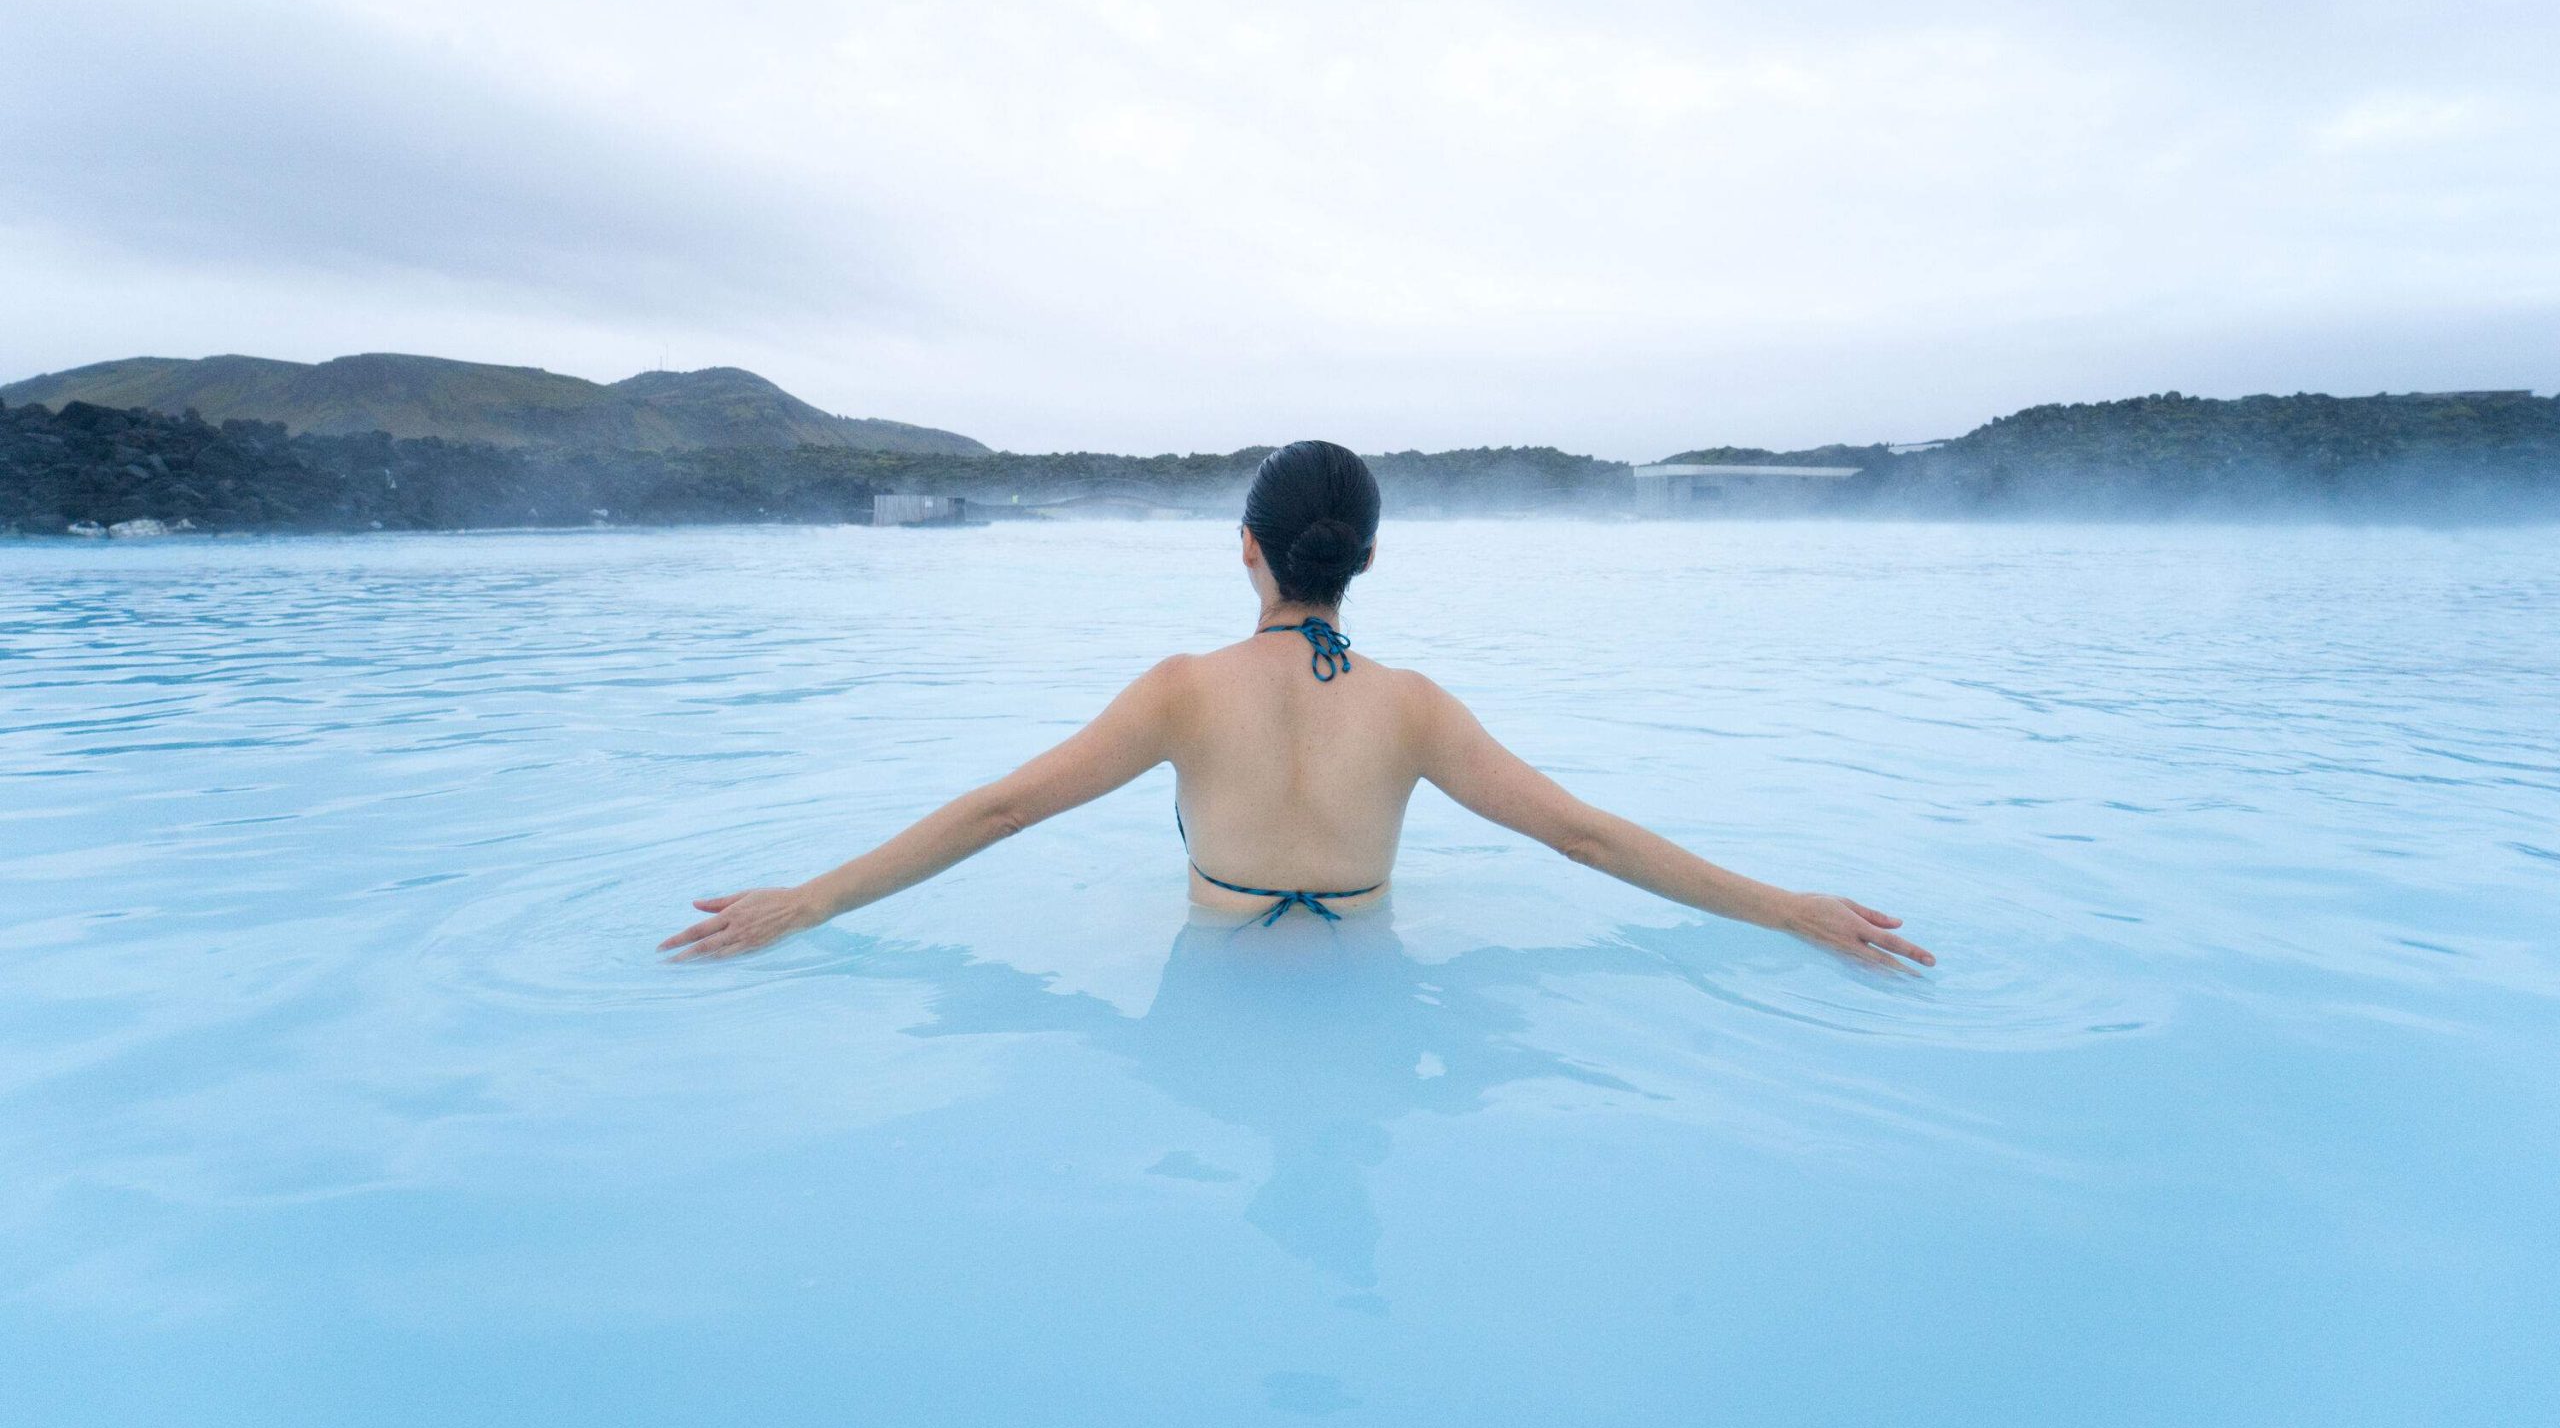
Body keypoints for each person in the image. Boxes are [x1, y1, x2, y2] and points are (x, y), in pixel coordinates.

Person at [658, 440, 1933, 971]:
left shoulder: (1180, 693)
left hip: (1212, 972)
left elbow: (999, 812)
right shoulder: (1416, 708)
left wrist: (809, 899)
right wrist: (1791, 910)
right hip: (1371, 968)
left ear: (1249, 549)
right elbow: (1585, 838)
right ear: (1367, 561)